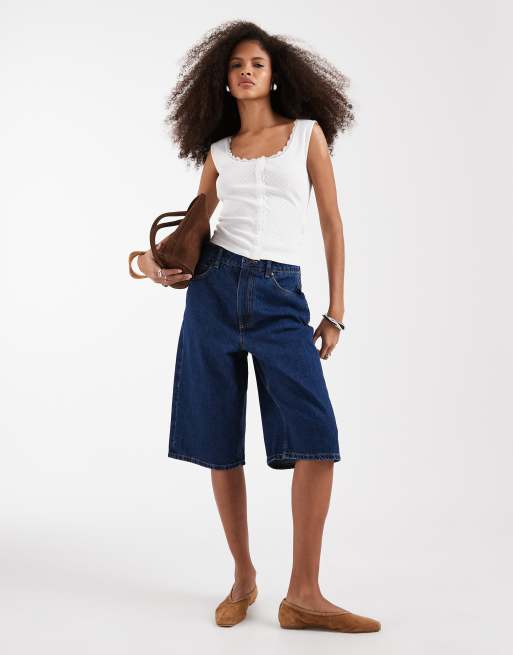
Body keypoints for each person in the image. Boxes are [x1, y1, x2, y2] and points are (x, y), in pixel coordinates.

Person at [136, 20, 381, 633]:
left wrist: (336, 312)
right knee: (220, 442)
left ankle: (304, 594)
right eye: (237, 65)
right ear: (222, 79)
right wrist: (152, 264)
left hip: (280, 295)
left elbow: (332, 223)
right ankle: (243, 579)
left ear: (275, 76)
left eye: (258, 64)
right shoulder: (218, 152)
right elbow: (196, 225)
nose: (247, 71)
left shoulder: (306, 136)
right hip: (213, 292)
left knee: (317, 438)